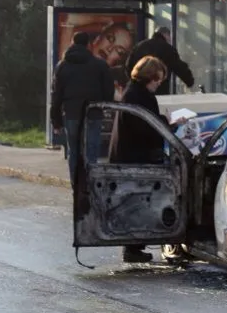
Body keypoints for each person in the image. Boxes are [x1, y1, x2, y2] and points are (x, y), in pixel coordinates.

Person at [109, 55, 186, 263]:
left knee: (136, 199)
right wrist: (169, 124)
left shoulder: (133, 91)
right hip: (135, 156)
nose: (158, 84)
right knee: (139, 200)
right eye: (157, 80)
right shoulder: (139, 95)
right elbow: (146, 126)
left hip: (128, 154)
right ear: (148, 77)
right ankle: (133, 247)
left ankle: (134, 246)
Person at [50, 31, 115, 188]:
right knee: (92, 149)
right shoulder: (100, 65)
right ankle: (90, 184)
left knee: (74, 150)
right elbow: (109, 90)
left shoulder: (62, 66)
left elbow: (56, 95)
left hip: (71, 113)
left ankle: (76, 184)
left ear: (72, 43)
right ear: (89, 45)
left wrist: (56, 120)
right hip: (93, 112)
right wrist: (105, 106)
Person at [125, 26, 195, 95]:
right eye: (170, 38)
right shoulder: (168, 49)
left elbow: (128, 66)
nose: (170, 41)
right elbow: (180, 68)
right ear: (166, 35)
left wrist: (134, 82)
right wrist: (189, 81)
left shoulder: (139, 46)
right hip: (160, 92)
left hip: (138, 91)